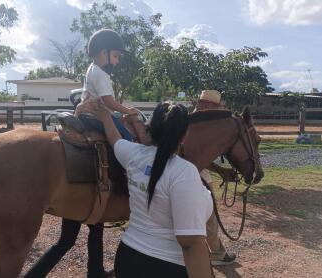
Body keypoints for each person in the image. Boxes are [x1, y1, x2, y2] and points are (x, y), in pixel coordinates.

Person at [91, 101, 214, 278]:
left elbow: (115, 139)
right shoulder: (183, 172)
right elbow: (191, 243)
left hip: (127, 256)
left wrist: (105, 117)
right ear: (184, 135)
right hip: (166, 266)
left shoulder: (134, 154)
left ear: (150, 129)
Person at [195, 90, 237, 266]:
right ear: (208, 106)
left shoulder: (197, 122)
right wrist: (221, 170)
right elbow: (199, 157)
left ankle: (214, 250)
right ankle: (217, 254)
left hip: (197, 174)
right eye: (214, 107)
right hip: (198, 176)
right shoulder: (197, 125)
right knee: (209, 215)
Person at [78, 28, 138, 140]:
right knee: (127, 137)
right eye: (116, 56)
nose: (117, 61)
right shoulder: (100, 74)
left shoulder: (92, 68)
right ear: (104, 53)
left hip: (86, 114)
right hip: (96, 116)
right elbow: (109, 102)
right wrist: (128, 111)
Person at [25, 220, 111, 278]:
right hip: (82, 200)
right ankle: (96, 272)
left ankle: (97, 271)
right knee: (65, 242)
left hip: (74, 201)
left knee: (66, 241)